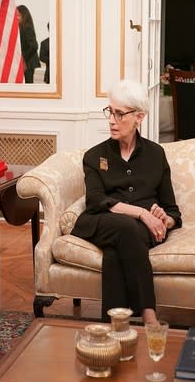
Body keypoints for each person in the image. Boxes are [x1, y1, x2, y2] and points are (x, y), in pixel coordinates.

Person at [71, 80, 182, 324]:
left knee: (115, 251)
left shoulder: (155, 155)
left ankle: (115, 326)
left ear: (139, 116)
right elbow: (96, 200)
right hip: (99, 221)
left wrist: (165, 219)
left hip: (138, 233)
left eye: (119, 113)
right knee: (126, 227)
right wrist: (142, 214)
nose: (111, 120)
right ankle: (148, 314)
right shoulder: (94, 156)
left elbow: (173, 211)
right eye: (110, 111)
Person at [16, 5, 41, 84]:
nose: (16, 17)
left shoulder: (27, 28)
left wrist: (23, 58)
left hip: (28, 63)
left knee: (28, 85)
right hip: (24, 61)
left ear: (24, 16)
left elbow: (34, 46)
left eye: (18, 15)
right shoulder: (20, 27)